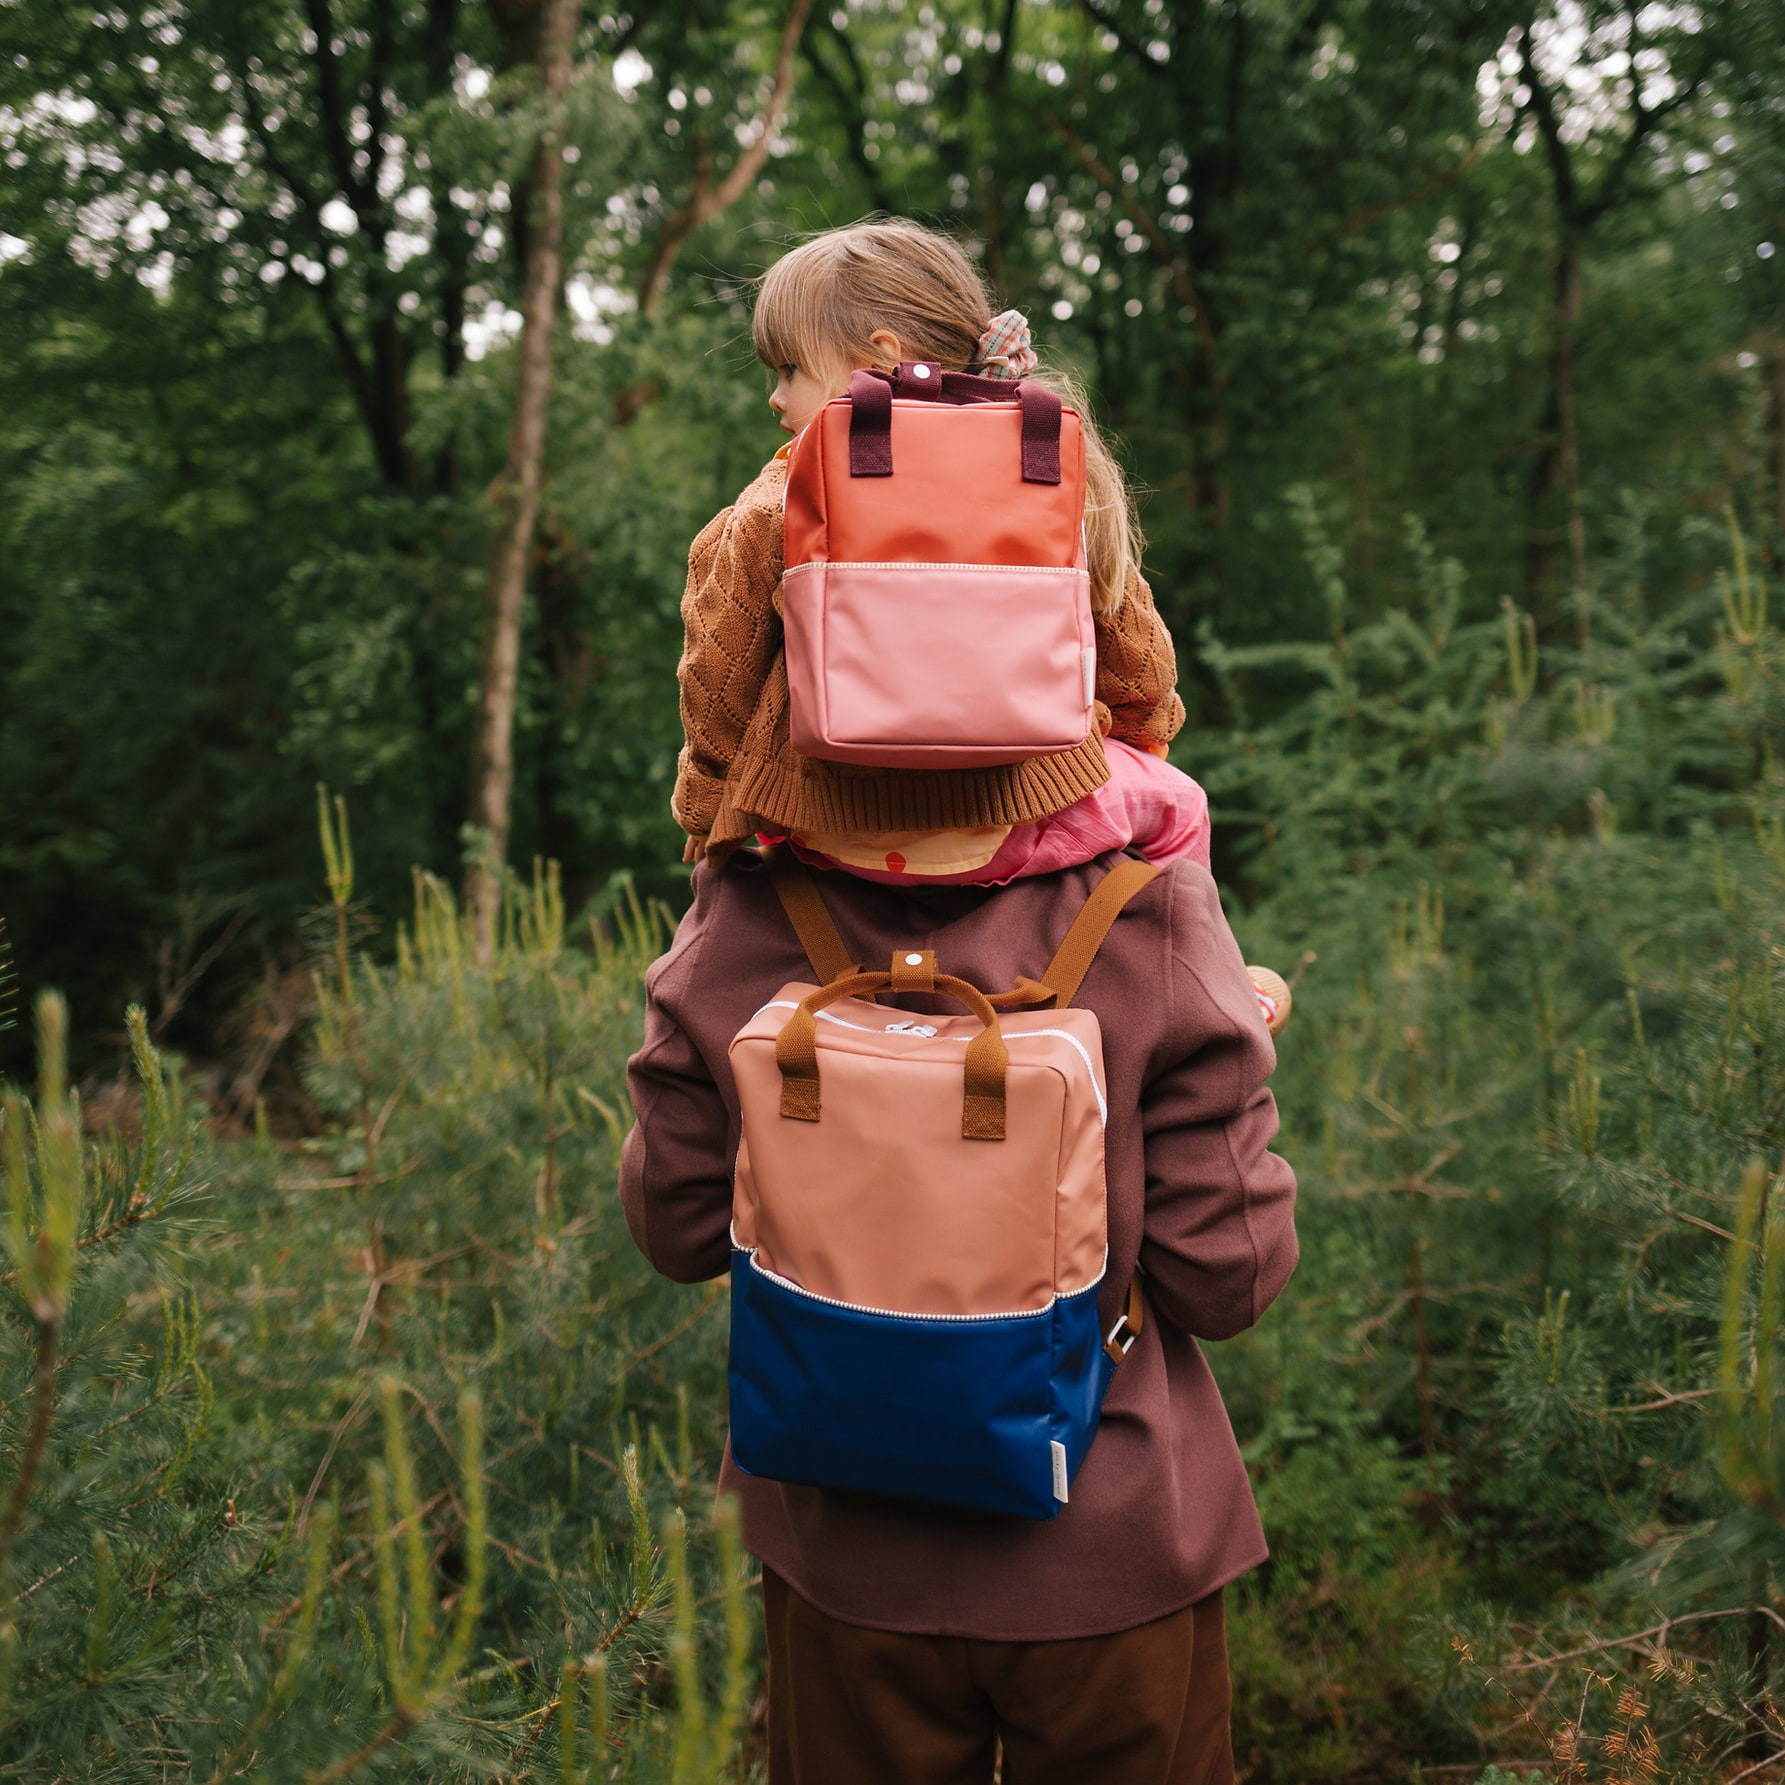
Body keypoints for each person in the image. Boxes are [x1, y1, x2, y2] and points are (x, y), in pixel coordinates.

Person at [621, 222, 1300, 1781]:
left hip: (844, 1569)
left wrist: (729, 838)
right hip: (1111, 1553)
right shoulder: (1142, 904)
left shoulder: (740, 922)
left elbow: (670, 1229)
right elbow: (1223, 1275)